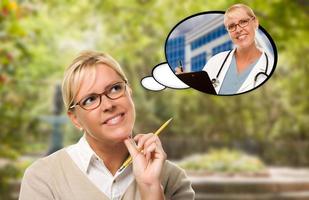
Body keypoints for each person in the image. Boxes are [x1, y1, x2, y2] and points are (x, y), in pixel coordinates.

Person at [19, 51, 195, 200]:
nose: (108, 105)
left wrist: (150, 188)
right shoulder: (43, 178)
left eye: (115, 89)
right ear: (75, 119)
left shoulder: (173, 179)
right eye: (90, 99)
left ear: (129, 92)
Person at [176, 4, 271, 95]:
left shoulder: (270, 66)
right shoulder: (215, 61)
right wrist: (187, 81)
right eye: (231, 26)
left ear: (255, 22)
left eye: (243, 22)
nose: (238, 30)